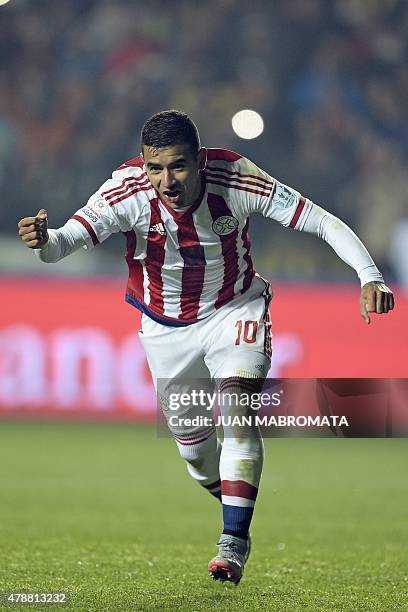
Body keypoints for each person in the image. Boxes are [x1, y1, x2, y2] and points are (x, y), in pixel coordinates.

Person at [18, 109, 394, 585]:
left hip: (234, 309)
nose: (166, 180)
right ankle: (237, 493)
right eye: (155, 168)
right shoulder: (125, 192)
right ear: (144, 163)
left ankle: (233, 542)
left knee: (237, 409)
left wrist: (369, 276)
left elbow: (320, 221)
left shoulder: (235, 177)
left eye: (177, 166)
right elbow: (62, 244)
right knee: (196, 456)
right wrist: (42, 241)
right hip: (164, 329)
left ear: (198, 160)